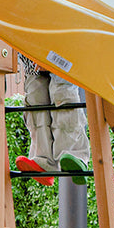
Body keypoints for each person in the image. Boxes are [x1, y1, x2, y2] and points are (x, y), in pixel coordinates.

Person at [15, 54, 90, 186]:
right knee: (35, 97)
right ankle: (42, 159)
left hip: (61, 52)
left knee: (63, 93)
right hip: (32, 54)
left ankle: (76, 153)